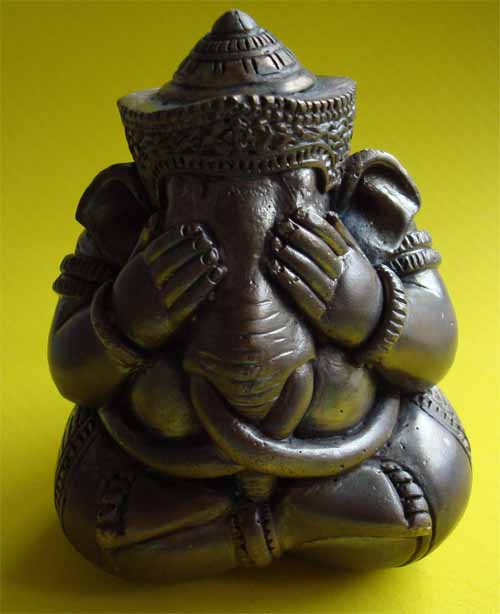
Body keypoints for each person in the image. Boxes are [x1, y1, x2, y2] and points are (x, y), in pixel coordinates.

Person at [49, 10, 471, 581]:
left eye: (288, 212)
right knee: (89, 495)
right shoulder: (129, 238)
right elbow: (73, 372)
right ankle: (303, 524)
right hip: (168, 461)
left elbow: (434, 350)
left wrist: (372, 310)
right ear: (131, 204)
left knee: (438, 472)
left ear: (365, 194)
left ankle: (223, 533)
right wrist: (125, 317)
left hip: (350, 447)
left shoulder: (358, 223)